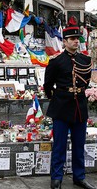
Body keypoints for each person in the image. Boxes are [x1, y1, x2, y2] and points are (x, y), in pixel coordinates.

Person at [44, 18, 95, 189]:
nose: (75, 41)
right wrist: (58, 97)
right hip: (61, 108)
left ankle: (79, 177)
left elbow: (85, 83)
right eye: (72, 39)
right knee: (59, 145)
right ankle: (56, 177)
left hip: (79, 108)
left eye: (77, 39)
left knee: (79, 145)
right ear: (64, 41)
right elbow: (48, 85)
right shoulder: (56, 61)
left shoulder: (85, 61)